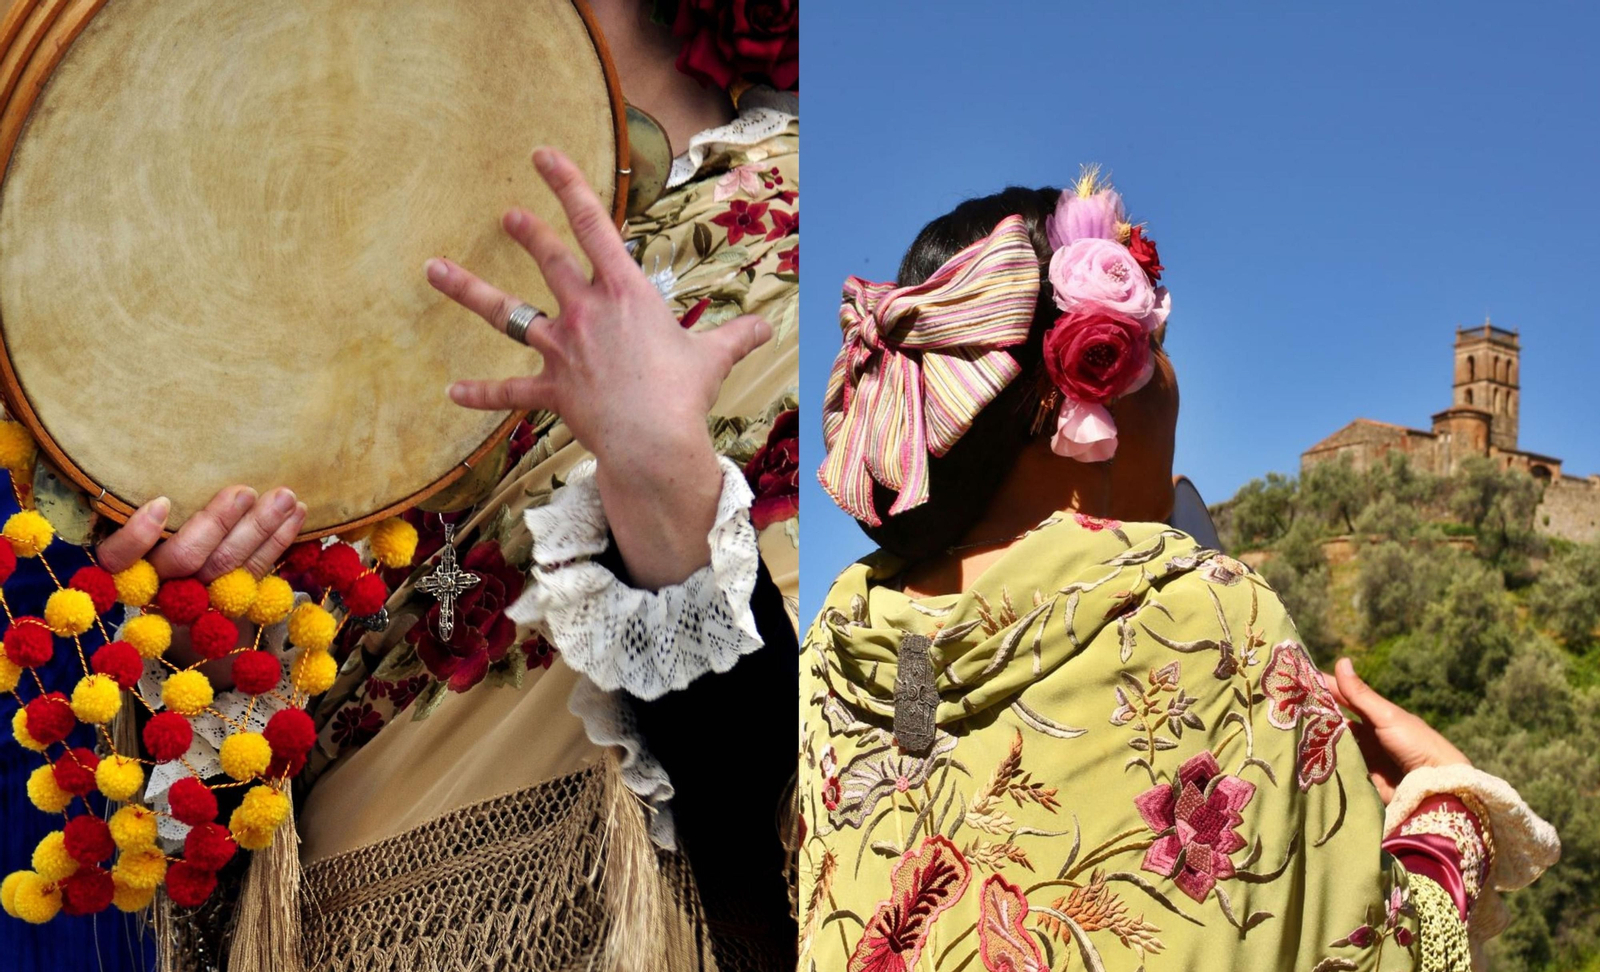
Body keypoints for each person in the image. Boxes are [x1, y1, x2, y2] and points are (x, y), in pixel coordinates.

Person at [94, 1, 799, 968]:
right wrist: (211, 632)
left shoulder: (811, 241)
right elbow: (220, 821)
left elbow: (827, 780)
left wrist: (659, 477)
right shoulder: (283, 220)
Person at [799, 176, 1558, 972]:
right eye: (1155, 344)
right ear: (1096, 376)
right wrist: (1448, 810)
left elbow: (917, 811)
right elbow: (1371, 950)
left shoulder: (865, 640)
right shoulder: (1206, 615)